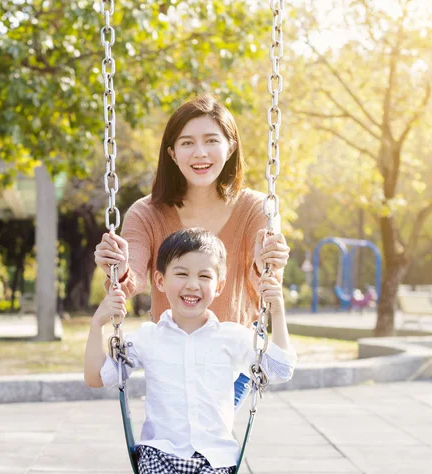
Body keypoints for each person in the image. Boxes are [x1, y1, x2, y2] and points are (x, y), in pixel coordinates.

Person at [84, 228, 296, 474]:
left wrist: (278, 313)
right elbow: (96, 377)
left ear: (220, 283)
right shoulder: (149, 338)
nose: (192, 285)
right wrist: (98, 323)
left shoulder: (232, 337)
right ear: (160, 280)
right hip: (159, 453)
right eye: (181, 273)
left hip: (213, 455)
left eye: (204, 276)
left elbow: (280, 369)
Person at [94, 93, 290, 328]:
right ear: (173, 154)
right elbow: (129, 282)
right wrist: (119, 268)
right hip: (170, 358)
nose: (200, 153)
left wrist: (264, 265)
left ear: (230, 148)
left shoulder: (258, 210)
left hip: (234, 358)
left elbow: (265, 294)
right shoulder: (145, 214)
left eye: (211, 141)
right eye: (187, 143)